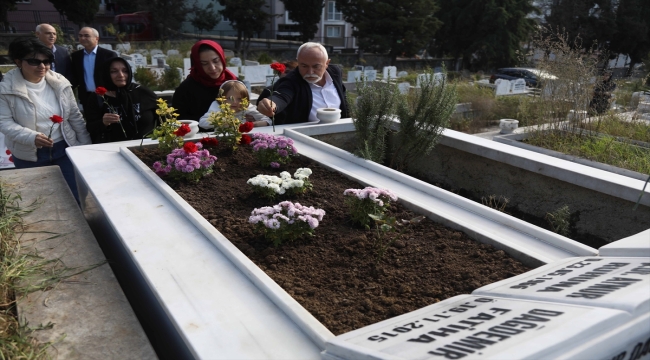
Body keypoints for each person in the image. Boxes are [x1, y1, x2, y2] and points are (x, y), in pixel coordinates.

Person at [0, 37, 91, 202]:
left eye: (47, 61)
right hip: (29, 154)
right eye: (34, 61)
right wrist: (31, 137)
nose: (42, 67)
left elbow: (74, 116)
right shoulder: (5, 88)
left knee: (75, 196)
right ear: (18, 61)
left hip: (64, 148)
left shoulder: (60, 82)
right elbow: (4, 121)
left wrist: (85, 146)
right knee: (40, 200)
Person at [256, 42, 348, 125]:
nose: (310, 72)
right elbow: (282, 96)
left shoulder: (335, 72)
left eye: (316, 66)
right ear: (298, 62)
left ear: (327, 63)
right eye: (304, 66)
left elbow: (343, 97)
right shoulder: (291, 80)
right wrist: (272, 104)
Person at [84, 57, 158, 143]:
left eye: (125, 71)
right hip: (112, 150)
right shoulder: (98, 97)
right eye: (114, 71)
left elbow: (163, 119)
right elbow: (90, 127)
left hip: (146, 149)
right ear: (106, 74)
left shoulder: (143, 93)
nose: (121, 75)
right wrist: (103, 122)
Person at [172, 40, 238, 125]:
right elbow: (180, 121)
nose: (212, 68)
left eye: (215, 61)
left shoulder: (235, 83)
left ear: (222, 59)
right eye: (204, 63)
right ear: (197, 65)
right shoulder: (185, 90)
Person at [71, 27, 117, 113]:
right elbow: (76, 77)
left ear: (96, 38)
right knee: (91, 123)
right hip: (87, 97)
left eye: (86, 36)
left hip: (106, 95)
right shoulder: (76, 56)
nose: (83, 38)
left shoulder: (108, 55)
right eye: (80, 36)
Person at [198, 80, 271, 129]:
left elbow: (268, 120)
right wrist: (223, 121)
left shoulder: (246, 107)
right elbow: (202, 122)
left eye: (239, 99)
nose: (234, 102)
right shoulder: (217, 106)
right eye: (230, 98)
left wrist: (255, 124)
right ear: (222, 98)